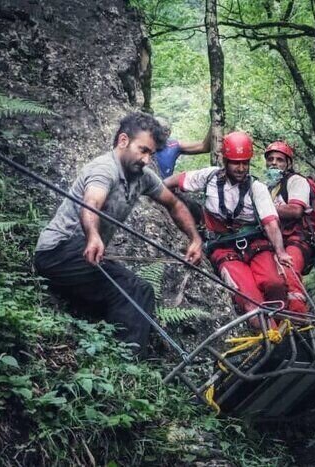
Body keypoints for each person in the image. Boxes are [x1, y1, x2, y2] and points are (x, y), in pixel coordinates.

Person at [34, 112, 203, 355]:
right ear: (123, 141)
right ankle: (128, 363)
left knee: (133, 293)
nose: (146, 159)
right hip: (58, 251)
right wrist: (93, 236)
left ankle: (120, 350)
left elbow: (174, 204)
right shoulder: (105, 169)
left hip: (86, 258)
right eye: (142, 150)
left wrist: (195, 239)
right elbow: (91, 203)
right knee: (135, 289)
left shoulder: (142, 177)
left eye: (151, 154)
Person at [163, 131, 293, 325]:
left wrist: (281, 252)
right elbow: (175, 181)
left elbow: (270, 222)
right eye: (235, 163)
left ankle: (285, 330)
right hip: (223, 248)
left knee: (274, 284)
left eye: (244, 163)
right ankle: (271, 338)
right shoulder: (208, 177)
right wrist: (155, 190)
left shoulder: (256, 188)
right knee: (249, 298)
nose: (241, 168)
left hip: (256, 245)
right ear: (225, 160)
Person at [264, 141, 312, 314]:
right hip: (275, 242)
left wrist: (264, 209)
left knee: (289, 277)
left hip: (296, 239)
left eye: (279, 160)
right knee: (271, 282)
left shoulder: (296, 181)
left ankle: (301, 326)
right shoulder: (268, 188)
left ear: (288, 163)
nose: (274, 163)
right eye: (270, 159)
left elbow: (295, 210)